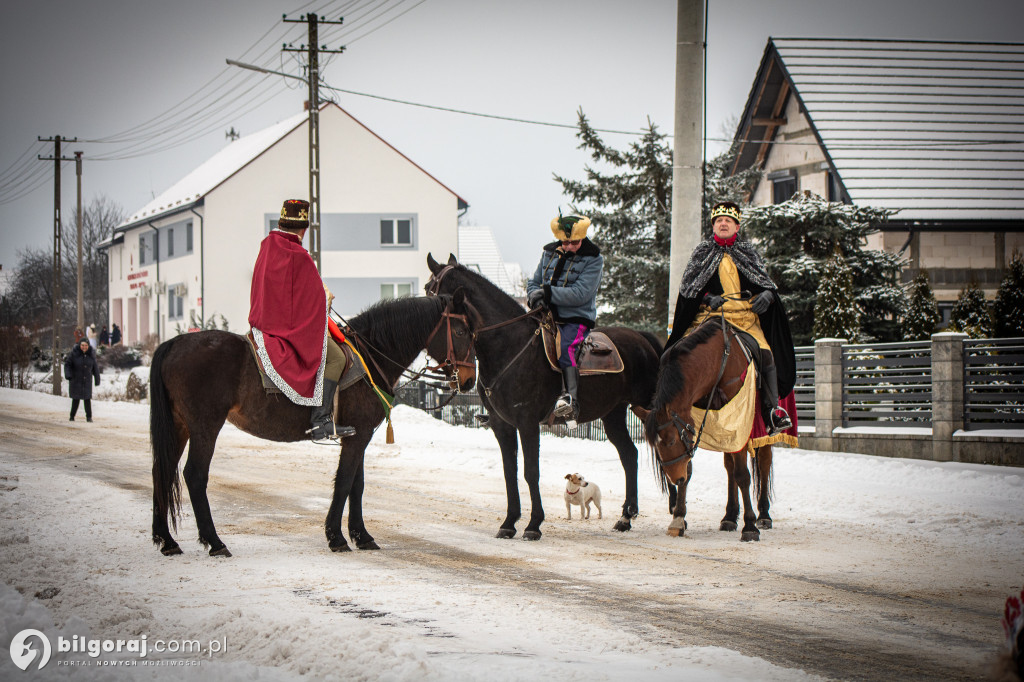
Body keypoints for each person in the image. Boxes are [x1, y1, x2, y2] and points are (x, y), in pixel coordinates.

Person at [666, 201, 795, 435]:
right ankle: (668, 404)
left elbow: (766, 284)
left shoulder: (748, 252)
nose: (723, 223)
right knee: (676, 351)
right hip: (711, 317)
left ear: (737, 226)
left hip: (745, 317)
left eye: (728, 220)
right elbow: (689, 291)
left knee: (765, 354)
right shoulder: (701, 253)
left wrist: (767, 295)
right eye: (718, 221)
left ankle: (772, 412)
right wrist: (706, 298)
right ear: (713, 226)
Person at [249, 199, 355, 442]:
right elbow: (314, 299)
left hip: (262, 327)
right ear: (304, 229)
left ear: (281, 222)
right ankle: (320, 421)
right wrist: (326, 298)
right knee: (337, 358)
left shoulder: (267, 248)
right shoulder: (298, 255)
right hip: (284, 332)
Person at [526, 213, 602, 426]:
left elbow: (581, 294)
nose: (568, 246)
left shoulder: (594, 259)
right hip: (545, 315)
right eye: (565, 242)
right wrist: (535, 296)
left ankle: (571, 401)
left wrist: (547, 293)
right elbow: (534, 282)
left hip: (576, 318)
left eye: (574, 242)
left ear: (583, 238)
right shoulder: (548, 252)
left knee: (565, 346)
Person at [64, 338, 100, 422]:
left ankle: (89, 417)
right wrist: (68, 375)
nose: (84, 347)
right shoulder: (74, 354)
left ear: (88, 346)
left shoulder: (91, 355)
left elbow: (95, 368)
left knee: (87, 399)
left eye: (86, 345)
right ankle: (72, 416)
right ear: (79, 345)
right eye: (82, 345)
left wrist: (97, 380)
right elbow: (67, 365)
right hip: (76, 380)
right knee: (75, 399)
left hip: (87, 381)